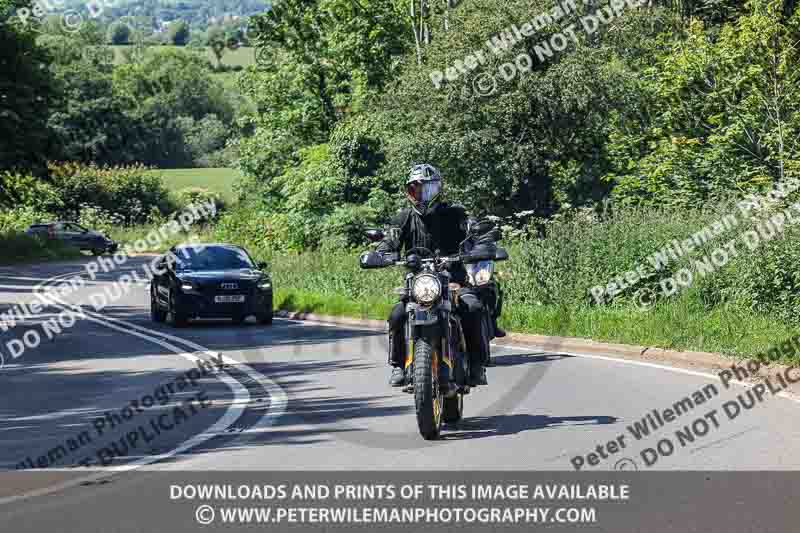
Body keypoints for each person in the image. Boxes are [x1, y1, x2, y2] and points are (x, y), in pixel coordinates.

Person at [364, 163, 505, 387]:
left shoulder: (455, 214)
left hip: (455, 280)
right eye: (416, 189)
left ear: (437, 189)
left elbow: (476, 232)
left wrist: (483, 245)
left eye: (426, 189)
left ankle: (478, 364)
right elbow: (389, 241)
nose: (421, 194)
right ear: (408, 191)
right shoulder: (404, 218)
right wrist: (380, 255)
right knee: (398, 315)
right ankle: (399, 365)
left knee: (473, 308)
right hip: (419, 284)